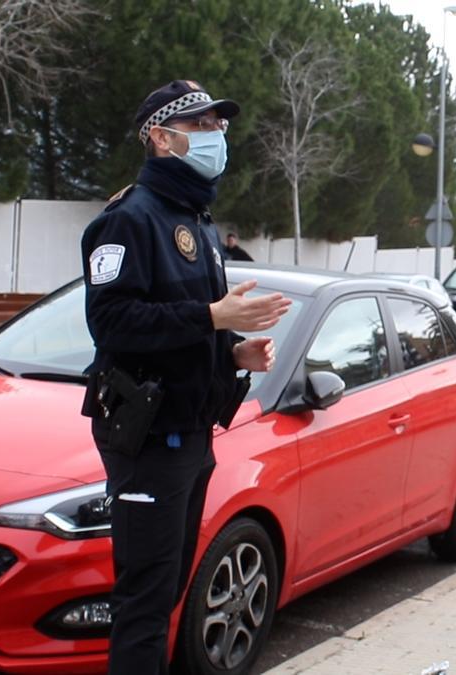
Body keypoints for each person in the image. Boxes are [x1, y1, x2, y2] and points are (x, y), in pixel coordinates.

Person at [80, 79, 291, 675]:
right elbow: (112, 322)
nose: (216, 136)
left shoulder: (197, 221)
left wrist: (231, 353)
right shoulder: (131, 220)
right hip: (149, 441)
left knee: (169, 589)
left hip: (193, 436)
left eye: (219, 125)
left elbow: (182, 330)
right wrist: (213, 317)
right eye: (200, 125)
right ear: (161, 137)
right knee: (144, 605)